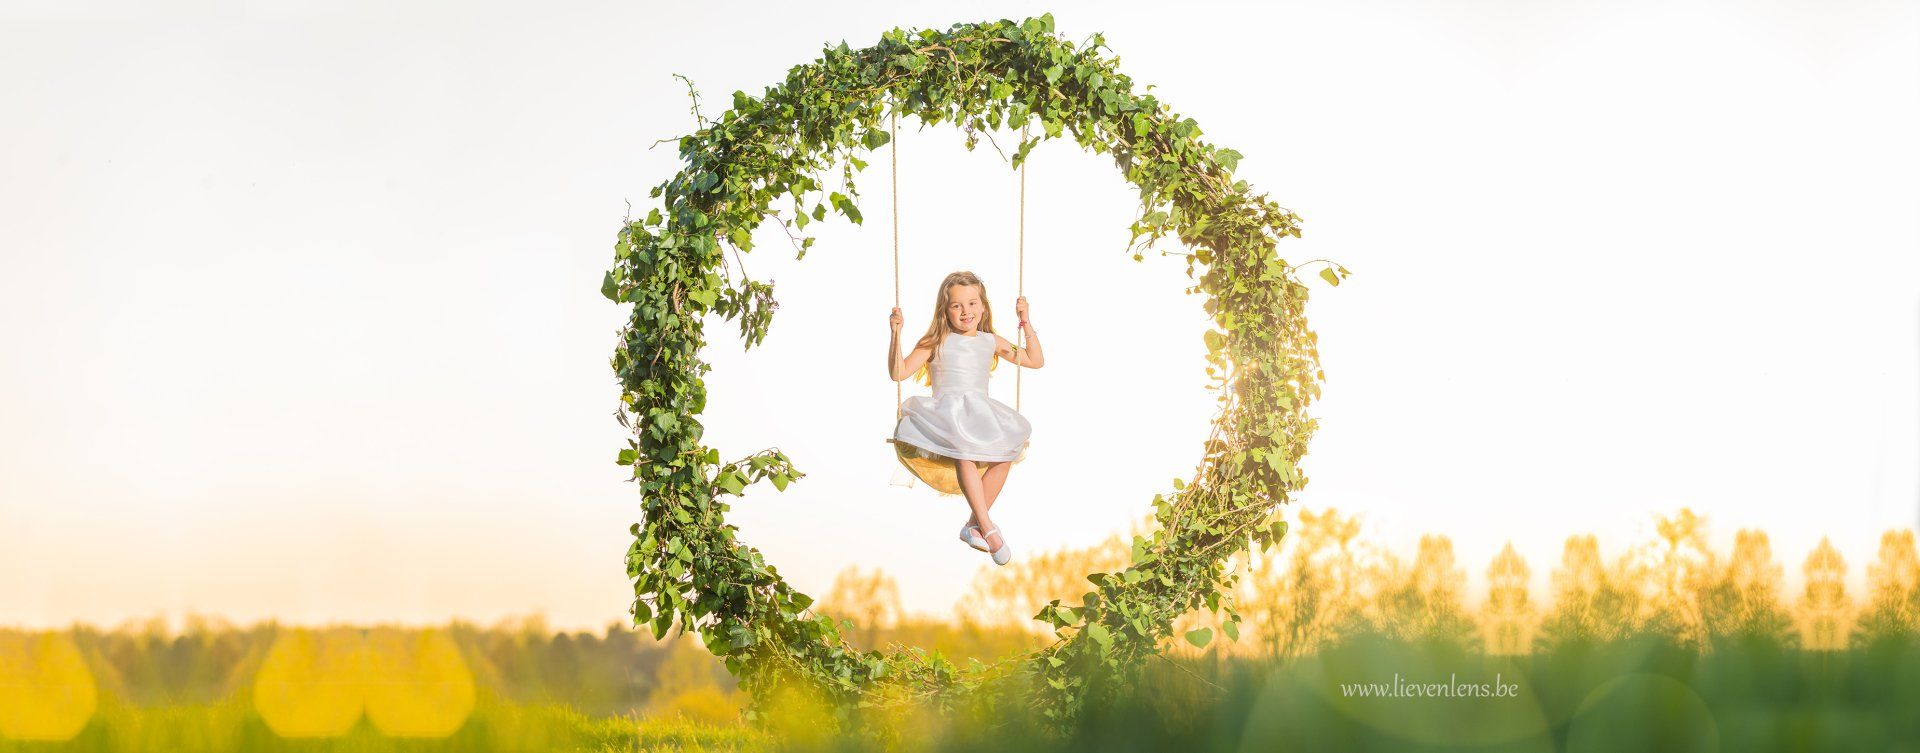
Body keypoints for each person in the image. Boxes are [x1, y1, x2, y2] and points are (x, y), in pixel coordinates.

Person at [888, 270, 1044, 566]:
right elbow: (898, 372)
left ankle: (973, 524)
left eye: (972, 304)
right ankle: (988, 528)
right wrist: (895, 333)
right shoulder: (935, 341)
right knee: (963, 449)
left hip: (979, 410)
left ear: (983, 307)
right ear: (944, 310)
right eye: (957, 305)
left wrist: (1025, 321)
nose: (966, 311)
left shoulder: (991, 341)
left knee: (1006, 455)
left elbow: (1035, 360)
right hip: (946, 412)